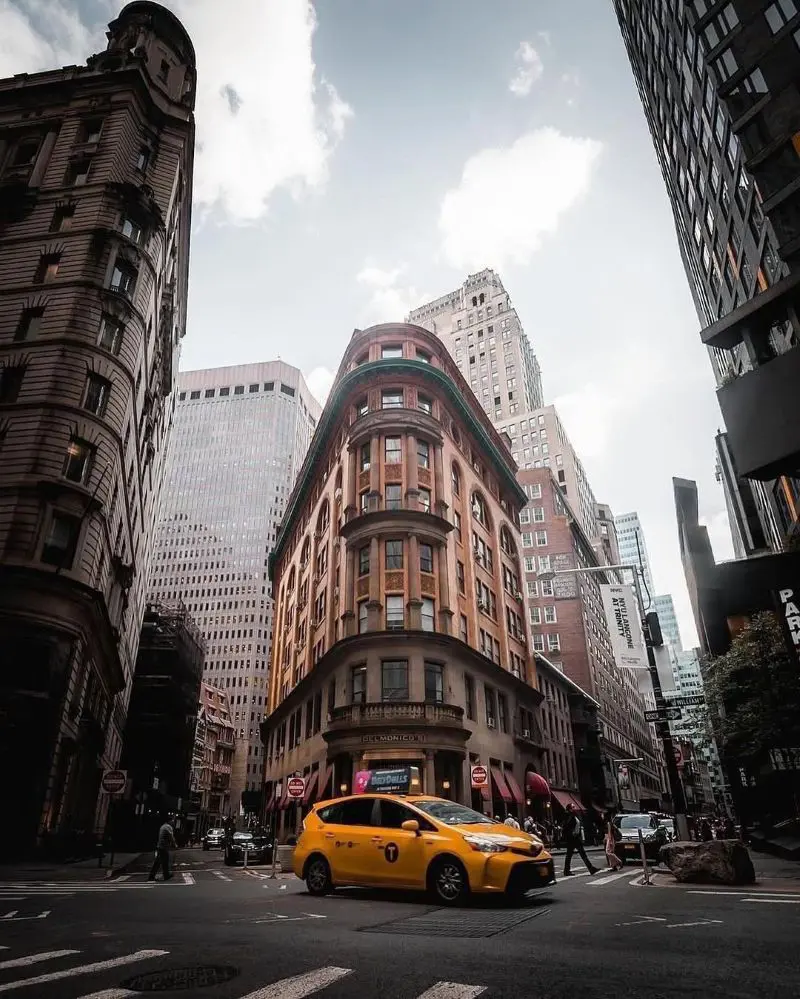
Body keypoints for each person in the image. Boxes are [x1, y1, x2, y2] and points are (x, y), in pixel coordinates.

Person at [562, 803, 599, 877]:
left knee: (579, 854)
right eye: (573, 807)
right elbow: (566, 827)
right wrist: (572, 833)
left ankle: (590, 868)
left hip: (575, 838)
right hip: (572, 839)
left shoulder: (574, 815)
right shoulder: (569, 816)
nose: (575, 808)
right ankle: (567, 870)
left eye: (574, 806)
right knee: (572, 855)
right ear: (569, 809)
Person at [148, 816, 177, 881]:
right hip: (164, 847)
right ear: (169, 821)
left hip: (160, 846)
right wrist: (175, 844)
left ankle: (152, 876)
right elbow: (171, 837)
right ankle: (165, 875)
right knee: (164, 861)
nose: (173, 822)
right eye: (172, 820)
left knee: (159, 862)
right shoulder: (168, 827)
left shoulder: (163, 826)